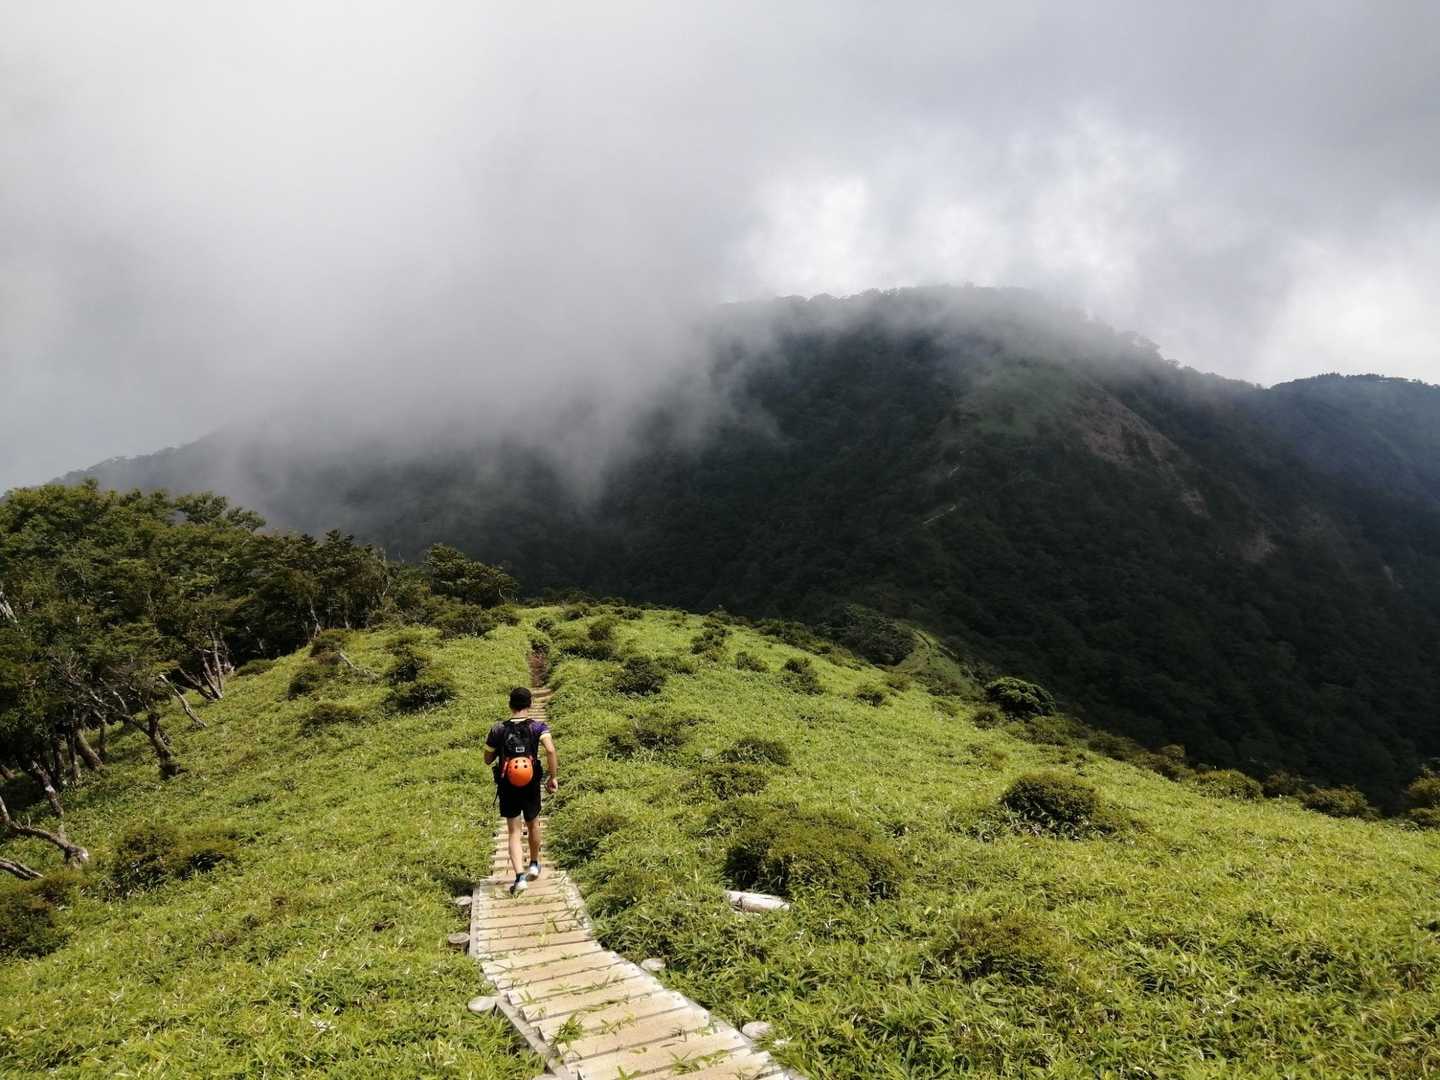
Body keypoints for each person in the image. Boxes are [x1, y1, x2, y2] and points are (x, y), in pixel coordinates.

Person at [484, 687, 558, 895]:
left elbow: (487, 759)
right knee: (533, 823)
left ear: (510, 704)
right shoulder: (538, 726)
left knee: (513, 831)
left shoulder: (498, 729)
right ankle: (534, 864)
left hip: (507, 783)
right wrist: (552, 777)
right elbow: (550, 749)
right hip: (531, 781)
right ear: (530, 704)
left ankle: (519, 878)